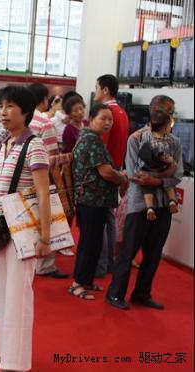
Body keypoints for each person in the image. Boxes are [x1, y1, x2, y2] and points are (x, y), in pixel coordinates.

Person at [0, 85, 51, 371]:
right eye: (1, 105)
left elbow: (44, 193)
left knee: (19, 296)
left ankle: (17, 361)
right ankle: (3, 352)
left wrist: (45, 237)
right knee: (1, 292)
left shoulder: (33, 145)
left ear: (26, 112)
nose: (3, 111)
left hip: (23, 230)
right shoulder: (5, 144)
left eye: (11, 106)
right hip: (0, 229)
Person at [106, 95, 183, 311]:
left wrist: (157, 180)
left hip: (164, 205)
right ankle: (115, 293)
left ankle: (142, 293)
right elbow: (133, 173)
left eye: (171, 109)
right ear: (153, 110)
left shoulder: (174, 142)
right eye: (165, 109)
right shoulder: (136, 139)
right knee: (128, 251)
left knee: (154, 252)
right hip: (140, 204)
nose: (169, 113)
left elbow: (178, 174)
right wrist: (154, 179)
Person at [68, 104, 127, 300]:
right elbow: (106, 172)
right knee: (89, 242)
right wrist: (122, 179)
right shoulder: (92, 140)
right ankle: (77, 283)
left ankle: (85, 279)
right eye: (103, 118)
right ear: (91, 118)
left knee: (93, 243)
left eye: (110, 119)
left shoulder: (90, 138)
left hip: (95, 201)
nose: (108, 123)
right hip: (91, 201)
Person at [27, 83, 68, 278]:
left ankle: (26, 255)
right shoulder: (44, 122)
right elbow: (51, 156)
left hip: (21, 175)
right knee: (45, 217)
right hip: (41, 175)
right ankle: (44, 264)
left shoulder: (23, 118)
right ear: (43, 100)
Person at [93, 74, 129, 279]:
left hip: (104, 172)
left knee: (101, 222)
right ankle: (108, 263)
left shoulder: (107, 114)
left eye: (97, 87)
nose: (95, 91)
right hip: (115, 170)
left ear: (105, 90)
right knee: (109, 220)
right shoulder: (122, 112)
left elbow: (101, 146)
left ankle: (101, 265)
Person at [138, 110, 179, 220]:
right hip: (163, 170)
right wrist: (171, 161)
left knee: (147, 190)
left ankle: (150, 208)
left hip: (147, 171)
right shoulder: (167, 142)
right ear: (165, 128)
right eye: (170, 126)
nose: (171, 128)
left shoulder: (146, 138)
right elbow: (165, 157)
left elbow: (142, 155)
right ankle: (172, 201)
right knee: (169, 185)